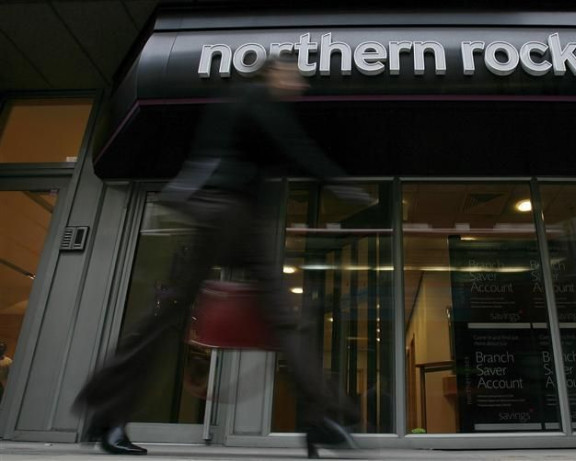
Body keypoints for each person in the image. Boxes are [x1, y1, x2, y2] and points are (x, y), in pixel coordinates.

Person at [74, 56, 369, 457]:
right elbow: (294, 144)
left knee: (182, 313)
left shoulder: (245, 102)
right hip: (224, 212)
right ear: (273, 73)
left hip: (231, 215)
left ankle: (107, 412)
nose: (300, 85)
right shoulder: (253, 97)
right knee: (263, 316)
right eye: (294, 76)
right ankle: (325, 420)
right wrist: (338, 181)